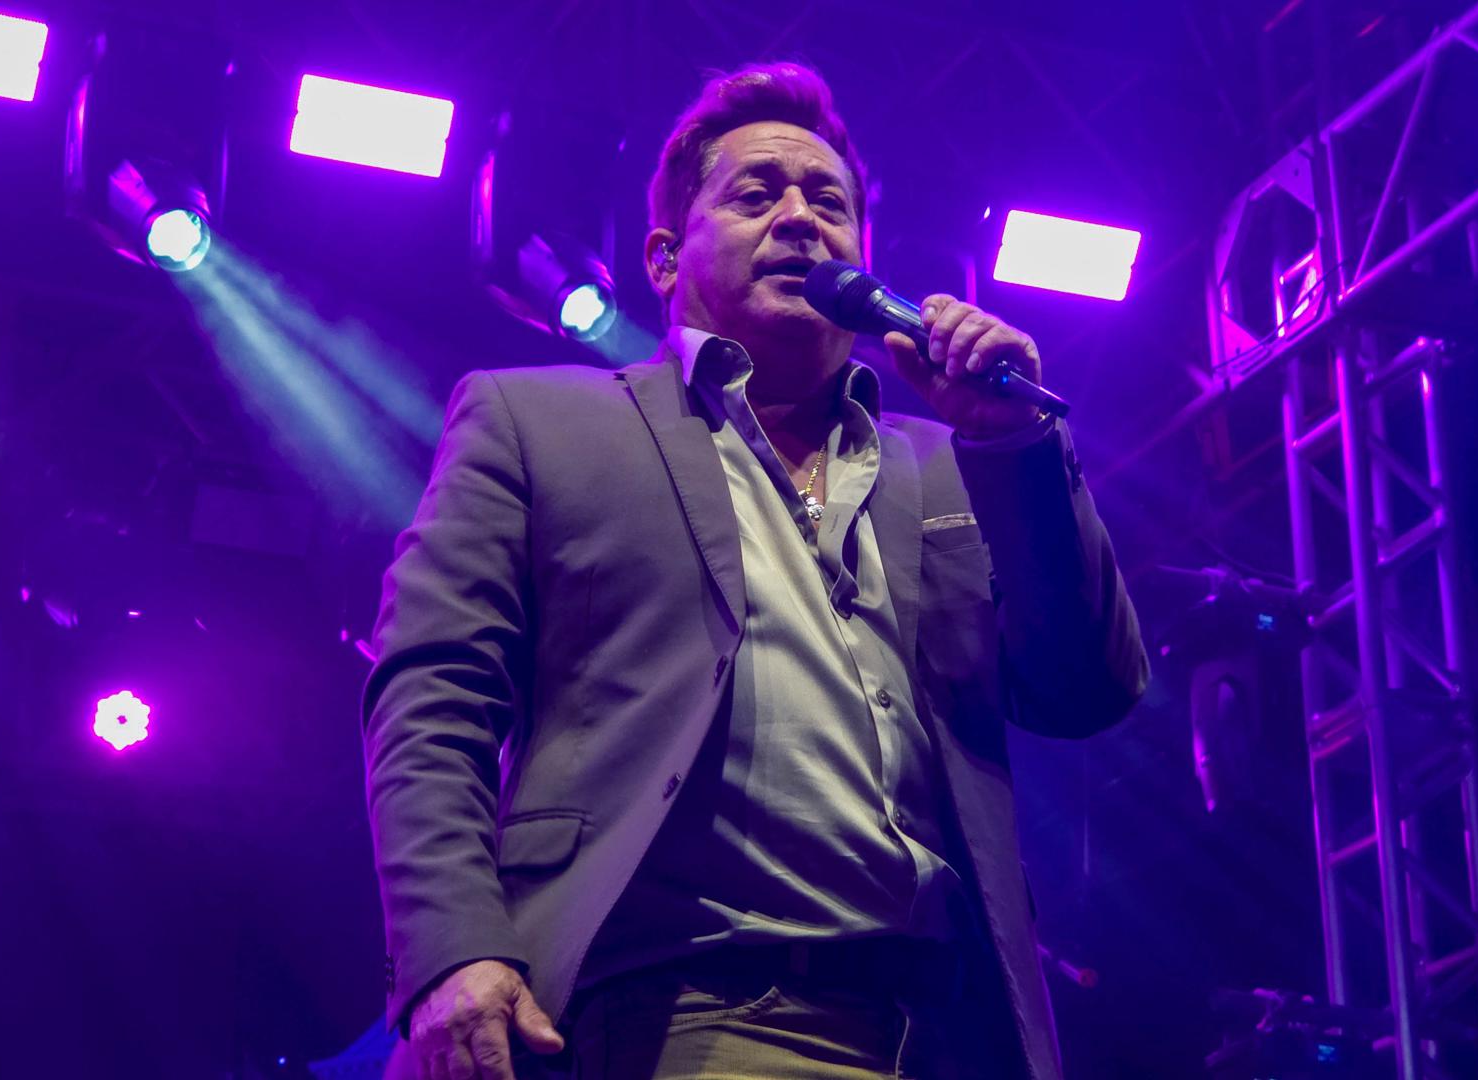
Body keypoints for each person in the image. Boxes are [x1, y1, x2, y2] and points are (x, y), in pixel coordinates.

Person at [363, 61, 1148, 1080]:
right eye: (755, 195)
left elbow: (1085, 688)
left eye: (829, 202)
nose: (800, 219)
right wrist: (453, 946)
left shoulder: (955, 461)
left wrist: (1016, 446)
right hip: (691, 1010)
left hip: (948, 1029)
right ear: (663, 257)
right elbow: (434, 694)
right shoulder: (536, 422)